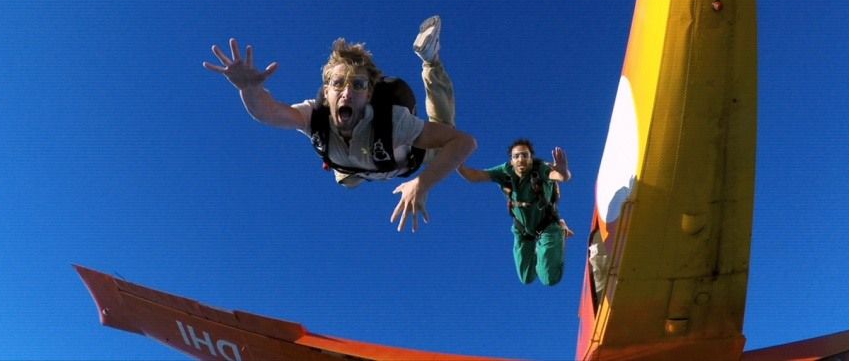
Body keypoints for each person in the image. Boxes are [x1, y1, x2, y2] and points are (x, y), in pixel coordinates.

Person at [203, 16, 476, 233]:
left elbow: (464, 142)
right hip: (353, 170)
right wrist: (249, 89)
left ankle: (431, 61)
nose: (346, 93)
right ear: (327, 91)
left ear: (368, 94)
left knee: (444, 132)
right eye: (338, 84)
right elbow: (268, 112)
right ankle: (350, 166)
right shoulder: (314, 116)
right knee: (347, 181)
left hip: (404, 158)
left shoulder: (393, 122)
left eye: (357, 85)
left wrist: (422, 184)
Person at [457, 140, 573, 286]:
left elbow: (561, 176)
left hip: (546, 226)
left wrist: (563, 171)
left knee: (549, 279)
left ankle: (559, 232)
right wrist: (457, 164)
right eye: (516, 156)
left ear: (531, 158)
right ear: (511, 161)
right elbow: (474, 176)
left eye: (525, 155)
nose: (520, 159)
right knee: (526, 277)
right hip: (523, 229)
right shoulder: (505, 172)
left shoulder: (540, 169)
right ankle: (540, 249)